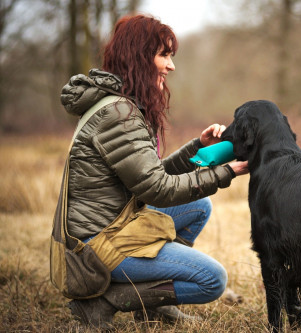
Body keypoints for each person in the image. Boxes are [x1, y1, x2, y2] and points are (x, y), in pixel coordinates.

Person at [59, 14, 248, 328]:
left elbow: (147, 175)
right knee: (212, 280)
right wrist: (225, 172)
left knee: (197, 206)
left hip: (116, 224)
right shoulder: (119, 114)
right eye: (164, 55)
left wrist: (198, 149)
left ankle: (152, 305)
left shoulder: (120, 105)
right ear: (139, 57)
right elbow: (156, 189)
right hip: (98, 245)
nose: (171, 66)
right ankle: (105, 301)